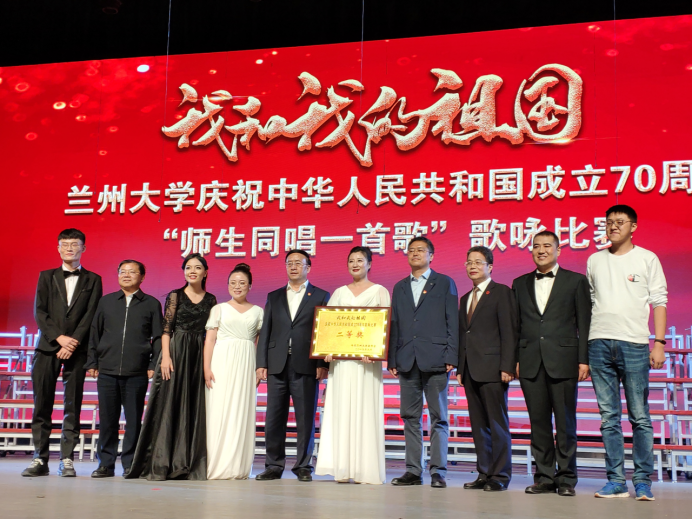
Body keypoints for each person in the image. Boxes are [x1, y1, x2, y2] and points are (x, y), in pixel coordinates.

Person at [587, 205, 667, 502]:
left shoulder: (647, 258)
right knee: (609, 417)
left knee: (640, 417)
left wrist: (659, 342)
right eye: (608, 222)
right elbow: (592, 301)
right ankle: (616, 481)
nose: (613, 226)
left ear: (633, 226)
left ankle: (643, 481)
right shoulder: (594, 259)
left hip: (634, 343)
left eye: (620, 222)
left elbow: (659, 301)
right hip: (598, 342)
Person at [512, 232, 591, 497]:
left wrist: (583, 359)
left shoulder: (576, 281)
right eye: (536, 246)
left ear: (558, 250)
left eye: (547, 246)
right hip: (530, 361)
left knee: (566, 423)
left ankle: (566, 478)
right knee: (539, 423)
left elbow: (584, 323)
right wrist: (515, 359)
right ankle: (544, 477)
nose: (541, 250)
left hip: (565, 360)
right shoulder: (519, 283)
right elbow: (515, 326)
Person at [126, 253, 217, 481]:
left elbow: (211, 334)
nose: (192, 271)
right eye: (188, 267)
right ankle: (162, 461)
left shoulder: (211, 300)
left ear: (206, 272)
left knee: (193, 405)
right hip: (175, 352)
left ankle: (186, 462)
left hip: (198, 354)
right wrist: (165, 357)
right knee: (169, 404)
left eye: (197, 267)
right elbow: (166, 330)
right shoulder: (175, 295)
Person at [22, 229, 103, 478]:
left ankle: (67, 459)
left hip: (77, 351)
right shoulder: (46, 276)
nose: (69, 248)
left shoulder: (93, 279)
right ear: (58, 248)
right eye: (65, 244)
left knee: (73, 404)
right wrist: (59, 339)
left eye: (74, 244)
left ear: (83, 248)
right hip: (47, 347)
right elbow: (40, 312)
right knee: (42, 403)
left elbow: (91, 315)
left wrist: (72, 343)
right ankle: (39, 458)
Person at [316, 247, 391, 485]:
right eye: (351, 261)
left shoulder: (380, 291)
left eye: (360, 260)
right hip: (342, 365)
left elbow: (386, 326)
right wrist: (327, 350)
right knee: (341, 411)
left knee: (365, 410)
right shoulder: (339, 292)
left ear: (370, 264)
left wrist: (375, 352)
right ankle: (342, 467)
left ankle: (364, 469)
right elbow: (329, 326)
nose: (355, 264)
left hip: (366, 365)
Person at [388, 237, 459, 488]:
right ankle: (413, 471)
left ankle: (438, 471)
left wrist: (452, 355)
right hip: (407, 360)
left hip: (437, 358)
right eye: (411, 250)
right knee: (410, 417)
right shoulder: (399, 287)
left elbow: (453, 320)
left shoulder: (445, 282)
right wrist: (392, 357)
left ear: (431, 255)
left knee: (439, 417)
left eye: (421, 250)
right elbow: (395, 323)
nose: (415, 253)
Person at [255, 250, 330, 482]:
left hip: (306, 364)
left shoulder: (321, 295)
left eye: (299, 263)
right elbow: (266, 331)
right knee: (274, 418)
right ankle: (273, 465)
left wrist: (321, 363)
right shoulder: (274, 296)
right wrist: (261, 363)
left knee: (305, 418)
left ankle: (303, 466)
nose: (294, 267)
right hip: (277, 364)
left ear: (308, 267)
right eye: (290, 263)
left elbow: (323, 332)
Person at [85, 260, 163, 478]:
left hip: (136, 372)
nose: (126, 275)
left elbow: (158, 337)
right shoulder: (106, 302)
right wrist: (92, 361)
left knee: (133, 421)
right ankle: (105, 464)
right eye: (122, 271)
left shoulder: (151, 304)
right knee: (107, 420)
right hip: (107, 370)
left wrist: (153, 364)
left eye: (132, 272)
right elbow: (95, 332)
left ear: (142, 277)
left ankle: (131, 464)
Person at [458, 246, 517, 492]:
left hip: (494, 369)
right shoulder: (465, 298)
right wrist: (460, 367)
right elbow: (464, 335)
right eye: (469, 262)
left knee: (497, 423)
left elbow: (509, 331)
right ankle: (484, 472)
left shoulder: (501, 292)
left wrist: (507, 365)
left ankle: (500, 475)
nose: (472, 266)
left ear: (490, 267)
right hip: (470, 370)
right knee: (478, 425)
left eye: (478, 262)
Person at [203, 263, 264, 480]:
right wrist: (206, 368)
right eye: (233, 283)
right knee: (218, 410)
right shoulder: (218, 308)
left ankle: (237, 465)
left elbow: (259, 343)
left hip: (246, 363)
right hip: (221, 363)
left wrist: (258, 369)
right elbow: (210, 340)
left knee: (241, 410)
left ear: (250, 286)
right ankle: (216, 463)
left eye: (242, 283)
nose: (237, 287)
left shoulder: (258, 311)